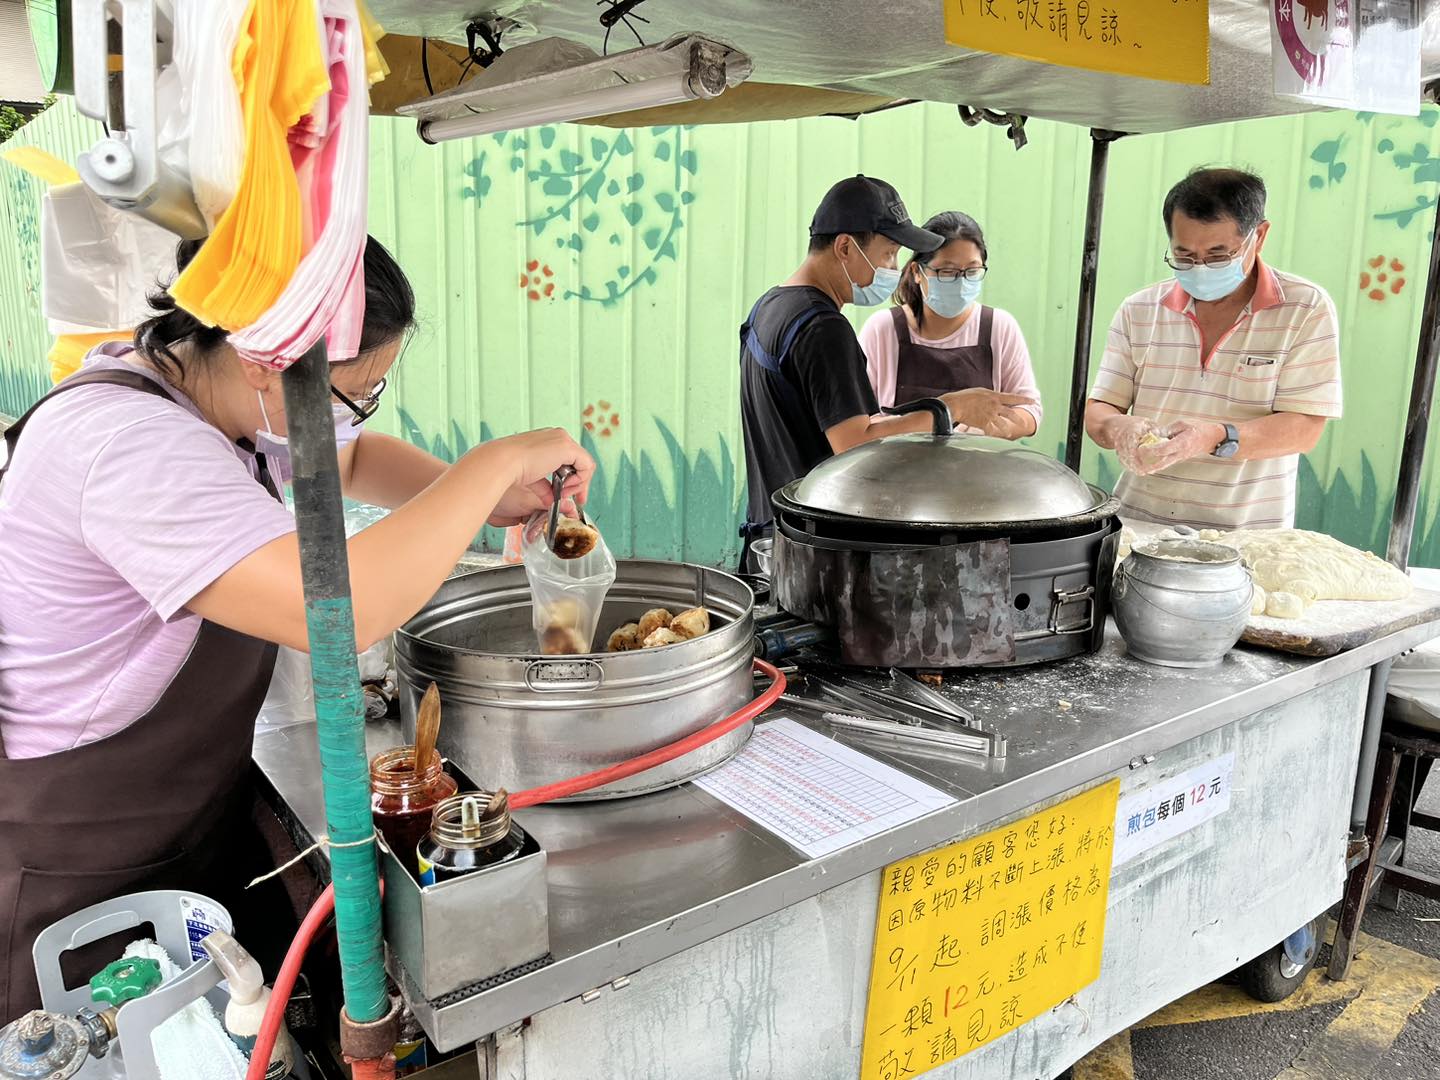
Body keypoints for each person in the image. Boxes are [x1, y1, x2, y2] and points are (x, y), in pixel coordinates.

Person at [0, 236, 594, 1022]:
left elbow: (341, 461)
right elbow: (339, 613)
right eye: (355, 392)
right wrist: (491, 463)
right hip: (80, 859)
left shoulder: (193, 385)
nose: (353, 415)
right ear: (258, 356)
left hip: (177, 822)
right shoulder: (129, 446)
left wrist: (485, 504)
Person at [739, 176, 1035, 562]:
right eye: (889, 254)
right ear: (845, 247)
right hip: (815, 552)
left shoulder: (770, 306)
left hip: (768, 539)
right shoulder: (824, 328)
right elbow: (856, 442)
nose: (893, 269)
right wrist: (952, 410)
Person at [1084, 167, 1342, 530]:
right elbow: (1099, 410)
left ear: (1260, 236)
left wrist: (1214, 437)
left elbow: (1304, 429)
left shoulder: (1304, 308)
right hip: (1140, 526)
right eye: (1184, 256)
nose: (1200, 269)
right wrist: (1118, 427)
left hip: (1248, 536)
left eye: (1219, 256)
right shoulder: (1139, 310)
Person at [859, 210, 1041, 439]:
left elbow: (1030, 409)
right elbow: (859, 424)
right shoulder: (883, 329)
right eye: (947, 271)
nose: (961, 282)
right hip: (898, 471)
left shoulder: (999, 327)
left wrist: (999, 426)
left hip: (976, 469)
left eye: (972, 271)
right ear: (917, 272)